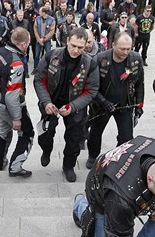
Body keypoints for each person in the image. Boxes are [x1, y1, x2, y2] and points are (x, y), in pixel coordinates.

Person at [33, 28, 99, 182]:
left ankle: (68, 166)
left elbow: (91, 90)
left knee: (74, 139)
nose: (76, 50)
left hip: (75, 105)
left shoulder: (90, 63)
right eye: (73, 45)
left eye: (80, 47)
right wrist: (46, 101)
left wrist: (73, 107)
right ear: (67, 40)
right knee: (45, 134)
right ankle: (47, 150)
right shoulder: (51, 55)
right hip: (51, 101)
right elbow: (39, 79)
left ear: (86, 46)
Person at [86, 32, 144, 169]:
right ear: (113, 45)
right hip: (102, 105)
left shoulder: (136, 59)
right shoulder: (100, 59)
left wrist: (139, 105)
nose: (125, 52)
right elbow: (91, 86)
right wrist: (103, 102)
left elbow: (139, 84)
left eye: (128, 48)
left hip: (125, 104)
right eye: (122, 49)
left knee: (126, 136)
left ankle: (119, 157)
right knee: (95, 132)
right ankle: (93, 156)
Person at [0, 27, 35, 178]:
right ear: (23, 44)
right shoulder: (16, 63)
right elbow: (12, 95)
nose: (28, 46)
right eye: (28, 43)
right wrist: (16, 117)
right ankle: (15, 166)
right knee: (27, 133)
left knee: (3, 131)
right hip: (10, 104)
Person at [33, 6, 55, 71]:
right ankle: (35, 68)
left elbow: (52, 32)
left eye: (40, 12)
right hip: (38, 40)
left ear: (44, 12)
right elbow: (35, 29)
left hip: (47, 41)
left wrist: (44, 38)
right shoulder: (37, 19)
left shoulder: (52, 20)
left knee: (48, 54)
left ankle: (48, 68)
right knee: (37, 55)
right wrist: (38, 39)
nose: (38, 13)